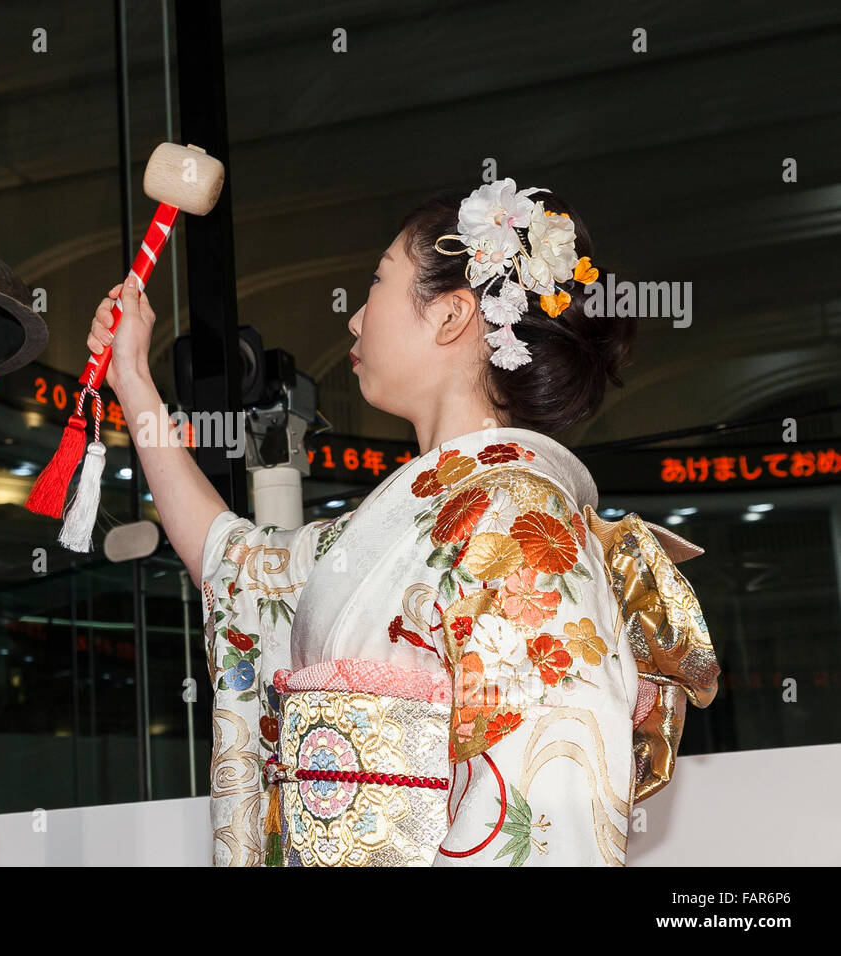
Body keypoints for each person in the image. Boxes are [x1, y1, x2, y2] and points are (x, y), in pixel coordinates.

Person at [88, 178, 720, 867]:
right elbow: (235, 565)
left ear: (451, 316)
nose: (355, 321)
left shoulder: (518, 523)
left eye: (377, 284)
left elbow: (546, 809)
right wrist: (132, 379)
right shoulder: (410, 523)